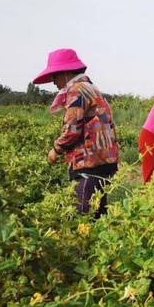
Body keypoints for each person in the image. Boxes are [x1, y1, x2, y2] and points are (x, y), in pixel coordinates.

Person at [33, 48, 119, 217]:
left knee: (83, 216)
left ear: (65, 72)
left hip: (89, 162)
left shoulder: (77, 90)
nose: (53, 81)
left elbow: (72, 130)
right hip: (105, 160)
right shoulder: (90, 87)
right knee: (98, 212)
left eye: (55, 75)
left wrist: (56, 149)